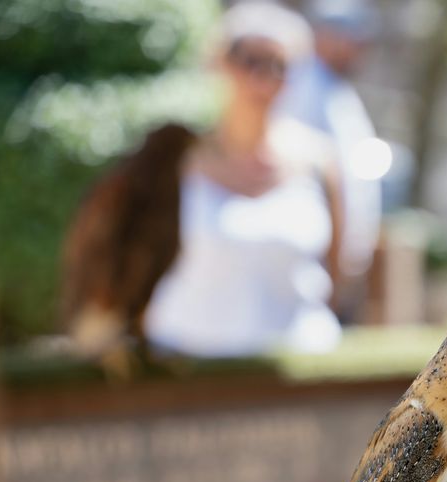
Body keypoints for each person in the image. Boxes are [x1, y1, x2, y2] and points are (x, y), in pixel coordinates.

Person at [141, 2, 343, 357]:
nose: (262, 78)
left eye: (278, 65)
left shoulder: (319, 161)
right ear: (219, 63)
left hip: (299, 369)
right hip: (189, 366)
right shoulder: (177, 162)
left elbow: (336, 267)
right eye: (249, 59)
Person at [275, 0, 382, 292]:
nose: (361, 50)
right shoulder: (301, 86)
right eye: (353, 40)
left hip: (337, 258)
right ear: (325, 37)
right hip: (314, 257)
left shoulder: (338, 90)